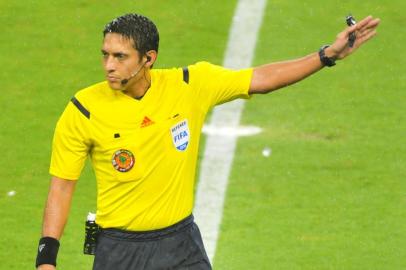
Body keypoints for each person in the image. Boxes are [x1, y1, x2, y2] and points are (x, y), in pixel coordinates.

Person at [36, 13, 380, 270]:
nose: (108, 66)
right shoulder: (83, 109)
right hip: (119, 248)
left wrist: (326, 55)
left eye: (120, 57)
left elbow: (260, 78)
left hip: (180, 242)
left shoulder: (190, 84)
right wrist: (46, 258)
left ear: (148, 58)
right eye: (105, 55)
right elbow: (62, 187)